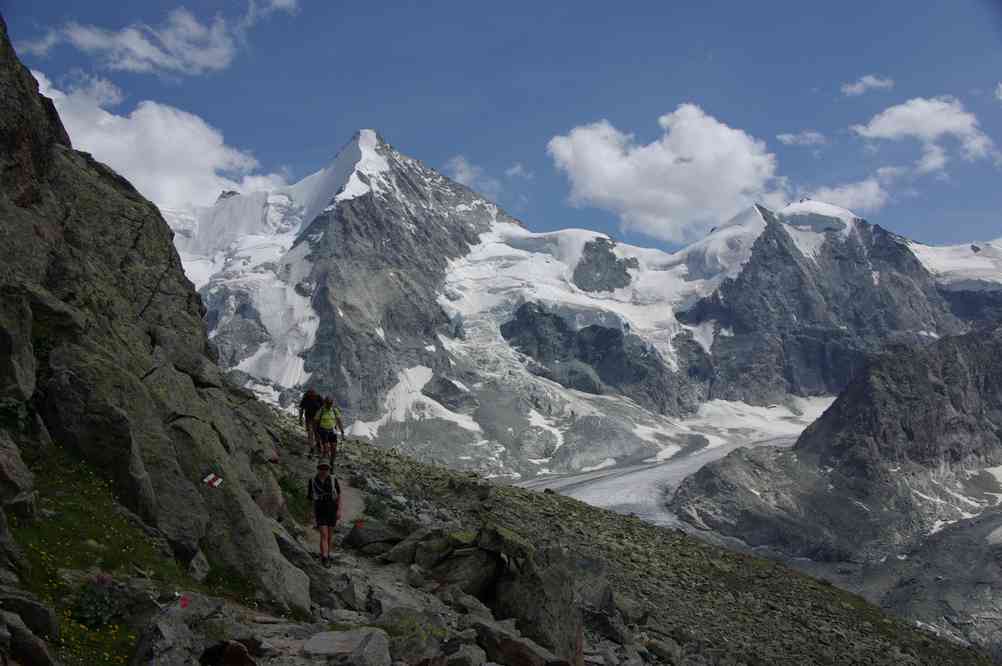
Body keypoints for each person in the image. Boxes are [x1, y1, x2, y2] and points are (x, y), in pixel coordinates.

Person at [306, 461, 341, 567]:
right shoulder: (312, 481)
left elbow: (339, 495)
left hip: (332, 509)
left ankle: (325, 554)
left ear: (328, 469)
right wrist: (311, 513)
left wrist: (339, 510)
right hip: (320, 510)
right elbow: (310, 498)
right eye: (322, 468)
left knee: (329, 536)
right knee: (324, 534)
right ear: (318, 468)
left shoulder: (333, 479)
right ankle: (325, 558)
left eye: (326, 468)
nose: (324, 470)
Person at [298, 389, 323, 456]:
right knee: (311, 433)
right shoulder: (307, 398)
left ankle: (316, 446)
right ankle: (314, 447)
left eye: (312, 395)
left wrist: (300, 419)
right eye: (311, 396)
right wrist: (300, 419)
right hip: (310, 418)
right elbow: (301, 409)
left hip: (315, 418)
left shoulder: (317, 398)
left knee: (315, 433)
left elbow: (301, 409)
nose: (312, 397)